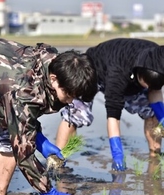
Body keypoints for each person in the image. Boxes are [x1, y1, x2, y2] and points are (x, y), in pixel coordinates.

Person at [0, 33, 98, 195]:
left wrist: (40, 140)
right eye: (69, 94)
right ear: (54, 79)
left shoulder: (57, 63)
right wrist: (50, 192)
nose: (71, 101)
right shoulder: (23, 93)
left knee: (7, 139)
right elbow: (24, 155)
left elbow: (20, 120)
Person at [56, 38, 164, 172]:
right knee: (74, 116)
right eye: (147, 85)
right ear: (139, 75)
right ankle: (58, 160)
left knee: (152, 113)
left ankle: (155, 156)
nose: (149, 88)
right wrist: (117, 154)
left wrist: (162, 118)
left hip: (132, 76)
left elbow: (155, 91)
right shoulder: (118, 74)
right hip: (94, 72)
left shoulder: (157, 59)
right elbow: (113, 116)